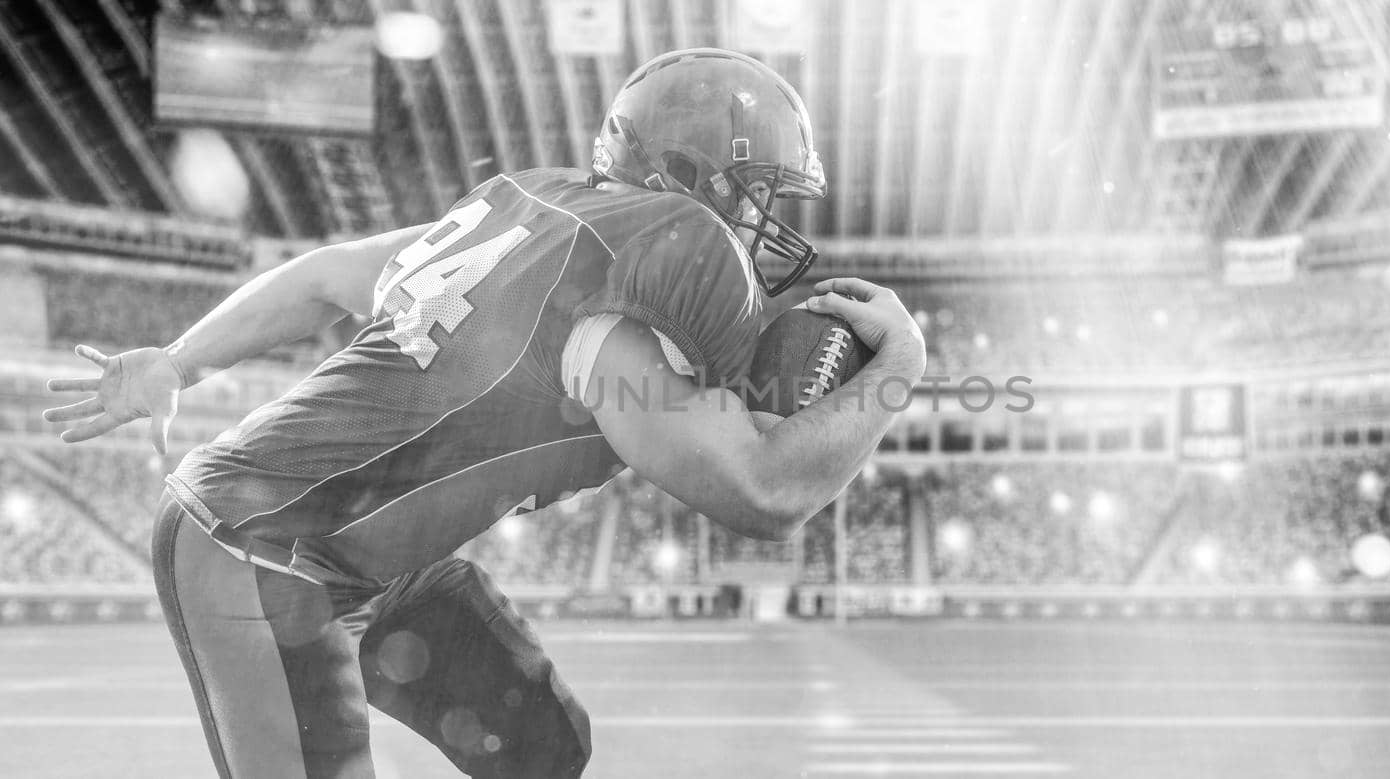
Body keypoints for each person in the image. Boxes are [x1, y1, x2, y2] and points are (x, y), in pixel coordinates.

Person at [42, 48, 925, 778]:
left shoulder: (528, 222)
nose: (763, 222)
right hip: (259, 549)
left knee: (539, 747)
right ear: (686, 178)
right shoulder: (605, 324)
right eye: (753, 193)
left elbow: (322, 274)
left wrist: (176, 360)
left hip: (362, 556)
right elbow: (763, 492)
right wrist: (899, 368)